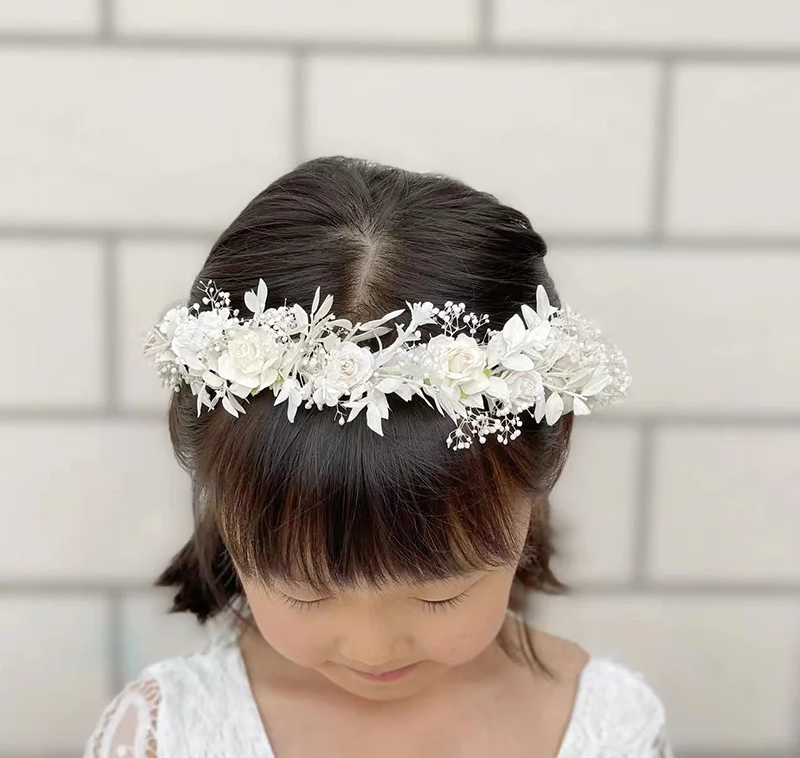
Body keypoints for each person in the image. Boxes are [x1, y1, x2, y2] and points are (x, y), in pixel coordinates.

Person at [84, 157, 672, 757]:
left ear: (533, 488)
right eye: (306, 592)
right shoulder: (169, 733)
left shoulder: (606, 724)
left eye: (439, 594)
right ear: (225, 512)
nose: (373, 649)